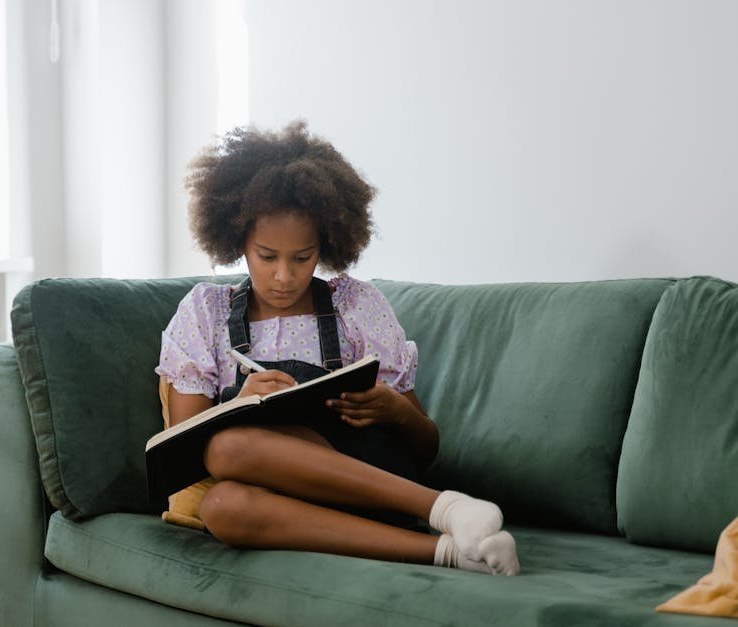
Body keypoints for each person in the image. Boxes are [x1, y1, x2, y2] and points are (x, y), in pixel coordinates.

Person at [155, 121, 519, 576]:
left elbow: (425, 448)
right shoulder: (207, 312)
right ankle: (453, 553)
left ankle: (447, 510)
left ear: (325, 245)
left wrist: (397, 412)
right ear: (237, 242)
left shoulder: (355, 306)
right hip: (282, 504)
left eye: (302, 257)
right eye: (267, 256)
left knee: (228, 449)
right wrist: (240, 404)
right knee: (221, 504)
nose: (284, 276)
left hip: (368, 483)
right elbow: (181, 455)